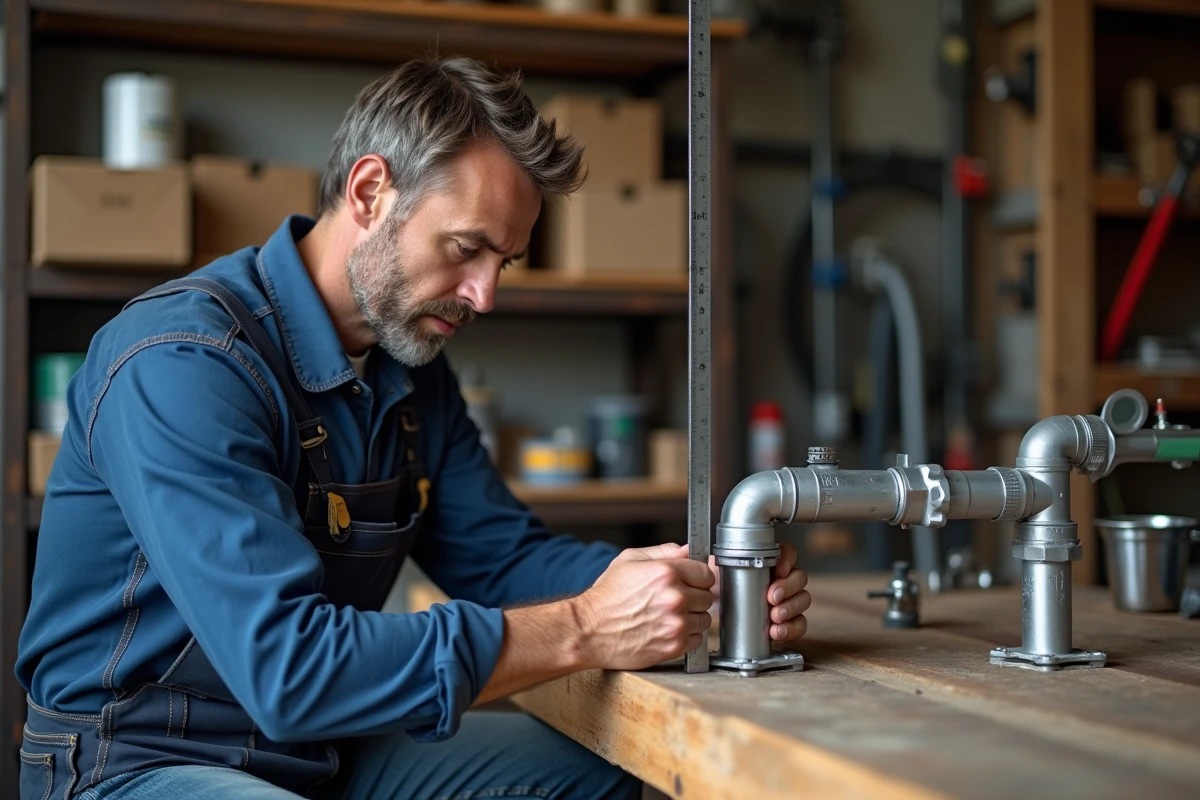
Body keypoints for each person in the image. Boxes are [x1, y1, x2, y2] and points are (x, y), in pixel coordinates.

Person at [15, 56, 811, 800]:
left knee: (612, 778)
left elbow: (502, 558)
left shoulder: (411, 368)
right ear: (369, 193)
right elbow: (289, 671)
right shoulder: (185, 363)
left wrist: (691, 591)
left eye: (506, 262)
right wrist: (583, 627)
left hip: (323, 745)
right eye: (467, 248)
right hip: (137, 760)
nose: (485, 295)